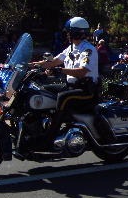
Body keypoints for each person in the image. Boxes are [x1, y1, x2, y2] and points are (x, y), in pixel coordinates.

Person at [29, 17, 99, 150]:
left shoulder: (88, 50)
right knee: (42, 90)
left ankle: (50, 138)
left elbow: (82, 72)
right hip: (71, 86)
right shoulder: (71, 49)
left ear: (78, 33)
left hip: (86, 91)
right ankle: (40, 128)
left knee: (63, 97)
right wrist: (29, 65)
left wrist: (60, 69)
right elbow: (53, 62)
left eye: (70, 32)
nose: (67, 34)